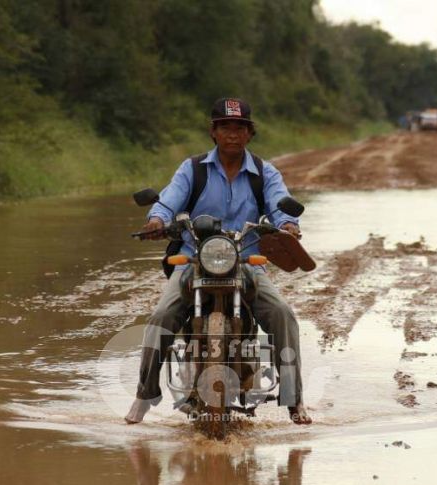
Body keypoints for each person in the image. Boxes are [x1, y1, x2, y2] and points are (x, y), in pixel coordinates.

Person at [125, 98, 312, 425]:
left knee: (283, 315)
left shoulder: (264, 172)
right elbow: (167, 203)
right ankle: (144, 395)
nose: (233, 134)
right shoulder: (192, 169)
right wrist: (157, 221)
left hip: (248, 262)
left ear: (250, 133)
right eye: (225, 127)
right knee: (160, 317)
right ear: (213, 132)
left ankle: (294, 400)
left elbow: (280, 206)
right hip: (193, 260)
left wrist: (287, 224)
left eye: (240, 128)